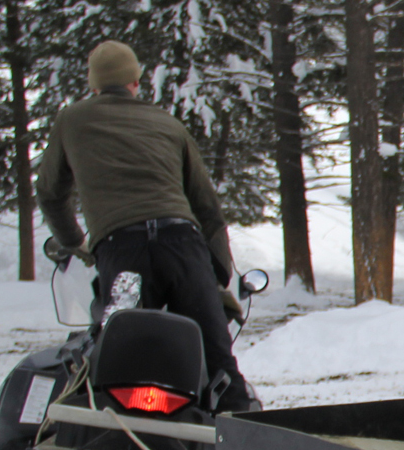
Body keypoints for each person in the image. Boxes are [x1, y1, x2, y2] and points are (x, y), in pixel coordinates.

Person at [37, 40, 259, 412]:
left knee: (125, 361)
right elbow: (208, 208)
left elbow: (49, 193)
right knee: (218, 361)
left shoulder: (71, 119)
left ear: (93, 86)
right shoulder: (167, 123)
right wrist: (215, 277)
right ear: (136, 83)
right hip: (182, 245)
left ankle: (128, 445)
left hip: (123, 252)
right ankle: (244, 443)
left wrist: (77, 243)